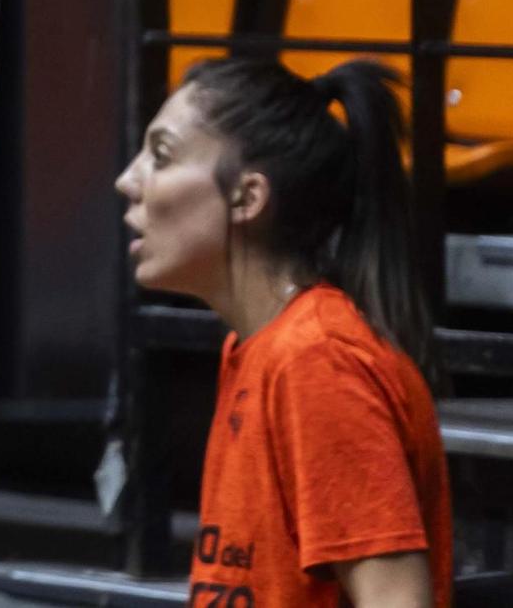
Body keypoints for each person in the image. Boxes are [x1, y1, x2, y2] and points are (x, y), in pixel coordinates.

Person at [115, 58, 451, 608]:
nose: (127, 180)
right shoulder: (257, 348)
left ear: (247, 198)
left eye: (161, 156)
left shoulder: (317, 360)